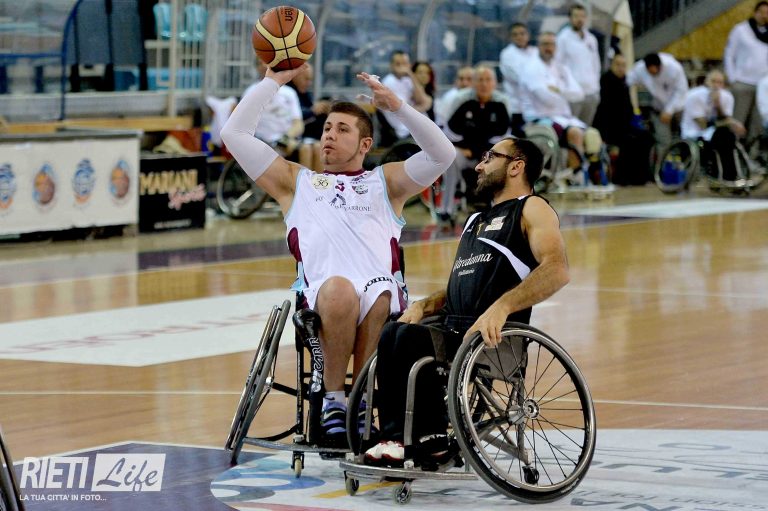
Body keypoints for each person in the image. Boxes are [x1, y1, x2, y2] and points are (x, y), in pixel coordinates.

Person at [220, 65, 455, 447]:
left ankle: (360, 401)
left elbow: (442, 153)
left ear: (365, 144)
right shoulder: (296, 181)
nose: (329, 134)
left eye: (342, 129)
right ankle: (332, 402)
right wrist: (273, 82)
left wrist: (398, 107)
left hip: (382, 298)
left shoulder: (385, 182)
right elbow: (234, 134)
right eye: (327, 128)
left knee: (379, 291)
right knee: (343, 289)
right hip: (322, 296)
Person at [362, 137, 570, 466]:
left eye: (490, 157)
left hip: (492, 338)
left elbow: (557, 269)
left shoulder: (531, 208)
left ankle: (430, 439)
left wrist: (501, 307)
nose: (479, 166)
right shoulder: (475, 221)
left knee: (412, 339)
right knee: (393, 329)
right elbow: (460, 287)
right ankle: (395, 437)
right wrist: (423, 306)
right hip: (453, 329)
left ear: (516, 166)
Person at [440, 66, 513, 225]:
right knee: (451, 157)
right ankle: (446, 209)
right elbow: (450, 131)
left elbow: (503, 134)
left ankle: (498, 205)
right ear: (473, 83)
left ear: (494, 83)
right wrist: (463, 148)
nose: (484, 84)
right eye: (480, 80)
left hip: (491, 154)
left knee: (504, 158)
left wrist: (486, 153)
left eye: (488, 80)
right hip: (465, 152)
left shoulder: (501, 103)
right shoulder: (463, 101)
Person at [522, 32, 592, 185]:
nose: (549, 48)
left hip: (563, 117)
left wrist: (558, 91)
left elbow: (579, 94)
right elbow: (546, 98)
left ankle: (580, 174)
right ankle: (577, 179)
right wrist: (566, 93)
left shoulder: (561, 67)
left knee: (592, 135)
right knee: (575, 133)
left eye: (552, 44)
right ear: (538, 46)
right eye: (545, 44)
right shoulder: (531, 67)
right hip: (539, 118)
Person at [681, 70, 746, 181]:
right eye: (713, 81)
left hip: (715, 132)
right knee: (723, 135)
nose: (716, 85)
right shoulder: (694, 96)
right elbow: (703, 125)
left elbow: (725, 118)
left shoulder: (727, 97)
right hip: (694, 131)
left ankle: (731, 176)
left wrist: (718, 105)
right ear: (706, 82)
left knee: (728, 136)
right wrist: (731, 122)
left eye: (719, 82)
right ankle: (721, 174)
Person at [723, 1, 768, 142]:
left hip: (763, 83)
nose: (764, 16)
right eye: (761, 12)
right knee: (738, 120)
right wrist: (732, 78)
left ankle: (753, 151)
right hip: (742, 82)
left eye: (767, 13)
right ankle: (733, 148)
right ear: (755, 13)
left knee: (758, 123)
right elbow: (729, 54)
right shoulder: (741, 30)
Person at [626, 52, 688, 151]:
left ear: (660, 66)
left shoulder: (674, 68)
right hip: (658, 108)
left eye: (656, 71)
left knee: (681, 136)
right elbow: (628, 81)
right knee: (664, 141)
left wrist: (669, 110)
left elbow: (681, 91)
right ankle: (662, 159)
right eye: (651, 72)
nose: (653, 73)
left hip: (678, 107)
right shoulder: (640, 68)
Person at [555, 3, 602, 125]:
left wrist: (596, 87)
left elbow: (596, 64)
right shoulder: (563, 38)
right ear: (570, 18)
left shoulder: (591, 39)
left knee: (587, 127)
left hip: (591, 92)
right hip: (573, 92)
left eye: (582, 16)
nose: (579, 19)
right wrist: (566, 88)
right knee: (573, 127)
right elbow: (557, 65)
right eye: (576, 16)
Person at [381, 51, 433, 144]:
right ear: (391, 65)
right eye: (398, 64)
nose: (402, 67)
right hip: (405, 130)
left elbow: (422, 100)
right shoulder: (388, 82)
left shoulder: (407, 80)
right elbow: (402, 109)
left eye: (405, 63)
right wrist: (421, 107)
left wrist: (411, 74)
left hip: (418, 126)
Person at [288, 63, 332, 170]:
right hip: (289, 136)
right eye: (306, 79)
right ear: (295, 76)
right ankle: (305, 180)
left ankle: (319, 180)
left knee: (319, 146)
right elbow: (293, 116)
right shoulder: (287, 92)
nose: (309, 83)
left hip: (308, 136)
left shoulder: (304, 93)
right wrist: (312, 111)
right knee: (308, 148)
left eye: (310, 80)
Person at [499, 22, 538, 136]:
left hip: (535, 106)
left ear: (528, 35)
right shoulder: (507, 54)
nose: (519, 37)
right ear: (510, 37)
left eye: (522, 33)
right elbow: (520, 77)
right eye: (515, 34)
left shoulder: (536, 52)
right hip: (516, 106)